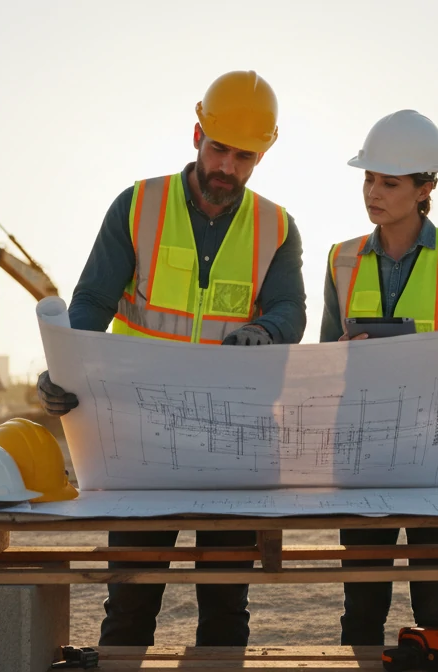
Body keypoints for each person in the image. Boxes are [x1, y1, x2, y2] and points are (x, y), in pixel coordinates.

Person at [35, 70, 306, 647]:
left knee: (226, 606)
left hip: (233, 438)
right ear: (195, 134)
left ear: (261, 156)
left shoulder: (276, 227)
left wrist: (266, 329)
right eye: (218, 148)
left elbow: (292, 312)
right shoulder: (137, 207)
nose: (226, 168)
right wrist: (65, 366)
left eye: (243, 156)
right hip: (141, 437)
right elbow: (91, 303)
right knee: (131, 600)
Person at [321, 109, 438, 645]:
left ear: (426, 188)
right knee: (363, 605)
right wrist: (338, 356)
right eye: (368, 179)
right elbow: (323, 354)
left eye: (389, 182)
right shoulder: (342, 259)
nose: (373, 193)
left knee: (437, 605)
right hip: (363, 450)